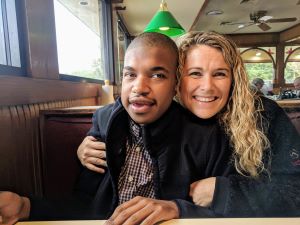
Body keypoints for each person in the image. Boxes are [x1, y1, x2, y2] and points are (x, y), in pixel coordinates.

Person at [0, 32, 223, 225]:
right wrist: (25, 207)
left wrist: (177, 209)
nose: (139, 87)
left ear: (175, 84)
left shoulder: (205, 135)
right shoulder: (104, 121)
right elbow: (87, 203)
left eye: (157, 75)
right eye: (130, 74)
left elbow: (225, 210)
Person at [79, 31, 300, 218]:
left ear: (234, 80)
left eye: (220, 74)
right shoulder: (163, 116)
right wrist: (87, 146)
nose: (207, 87)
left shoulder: (263, 115)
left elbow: (294, 193)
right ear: (176, 79)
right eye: (194, 73)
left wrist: (223, 191)